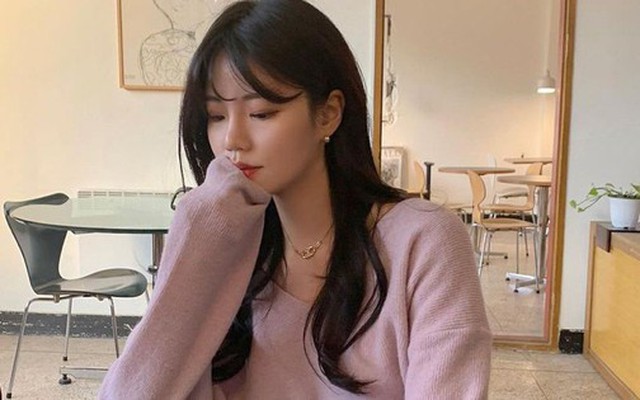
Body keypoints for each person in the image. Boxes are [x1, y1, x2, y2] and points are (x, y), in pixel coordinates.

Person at [98, 0, 492, 398]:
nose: (232, 140)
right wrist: (196, 234)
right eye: (216, 116)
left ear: (328, 114)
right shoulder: (224, 247)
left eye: (261, 113)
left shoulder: (424, 242)